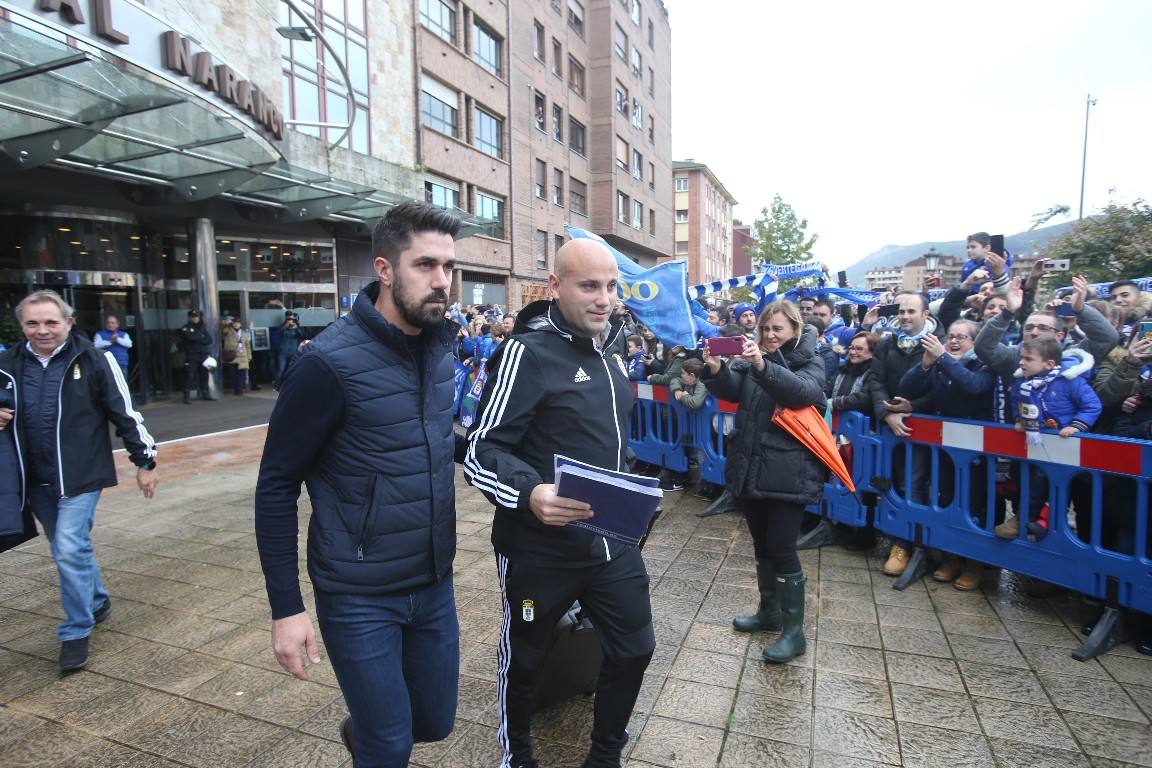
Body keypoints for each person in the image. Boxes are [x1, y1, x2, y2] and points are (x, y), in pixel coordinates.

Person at [254, 203, 466, 767]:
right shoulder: (326, 363)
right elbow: (276, 485)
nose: (442, 280)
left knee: (436, 722)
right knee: (390, 742)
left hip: (433, 580)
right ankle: (374, 735)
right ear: (385, 269)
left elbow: (425, 436)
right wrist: (286, 609)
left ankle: (367, 730)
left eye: (449, 266)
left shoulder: (441, 345)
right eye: (426, 265)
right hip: (358, 592)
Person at [464, 238, 655, 768]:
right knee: (523, 660)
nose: (604, 299)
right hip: (539, 554)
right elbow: (481, 449)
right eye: (589, 286)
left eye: (612, 287)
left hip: (613, 544)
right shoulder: (526, 351)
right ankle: (516, 756)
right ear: (555, 286)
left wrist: (637, 489)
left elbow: (608, 440)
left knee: (635, 648)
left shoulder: (615, 345)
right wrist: (530, 495)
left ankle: (605, 757)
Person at [0, 290, 158, 672]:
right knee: (68, 547)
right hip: (33, 480)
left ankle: (75, 630)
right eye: (33, 323)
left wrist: (145, 460)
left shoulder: (94, 359)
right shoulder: (6, 364)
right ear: (22, 326)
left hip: (81, 475)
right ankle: (97, 599)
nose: (42, 330)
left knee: (69, 548)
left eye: (51, 322)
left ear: (68, 323)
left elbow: (124, 411)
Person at [700, 301, 826, 663]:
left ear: (795, 330)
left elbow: (802, 393)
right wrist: (716, 370)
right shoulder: (755, 359)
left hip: (790, 472)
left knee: (783, 548)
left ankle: (794, 633)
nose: (770, 336)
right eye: (766, 329)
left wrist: (761, 364)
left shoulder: (812, 359)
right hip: (753, 466)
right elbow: (733, 390)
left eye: (778, 330)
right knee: (761, 546)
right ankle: (769, 612)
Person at [898, 319, 995, 589]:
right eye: (951, 336)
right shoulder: (942, 362)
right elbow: (908, 387)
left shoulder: (984, 364)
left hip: (976, 449)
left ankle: (974, 564)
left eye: (962, 337)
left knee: (973, 506)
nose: (954, 341)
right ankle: (950, 558)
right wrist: (926, 364)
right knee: (945, 498)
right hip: (944, 448)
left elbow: (973, 386)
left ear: (975, 342)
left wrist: (942, 357)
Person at [867, 291, 941, 576]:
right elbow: (876, 380)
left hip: (923, 425)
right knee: (892, 482)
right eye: (902, 311)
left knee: (916, 485)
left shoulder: (935, 342)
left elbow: (939, 385)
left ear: (925, 314)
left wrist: (913, 407)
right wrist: (887, 412)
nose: (905, 317)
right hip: (891, 424)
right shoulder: (887, 343)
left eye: (911, 311)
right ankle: (898, 539)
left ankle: (912, 544)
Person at [1002, 338, 1101, 540]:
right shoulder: (1023, 382)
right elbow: (1016, 402)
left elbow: (1092, 405)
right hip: (1038, 444)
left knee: (1060, 488)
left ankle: (1048, 525)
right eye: (1021, 357)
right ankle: (1028, 520)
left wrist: (1076, 426)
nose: (1022, 362)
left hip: (1065, 446)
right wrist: (1020, 419)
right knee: (1034, 483)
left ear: (1049, 364)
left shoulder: (1070, 380)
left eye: (1028, 359)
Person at [177, 309, 214, 403]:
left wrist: (198, 337)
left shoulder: (202, 327)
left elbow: (209, 340)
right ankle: (186, 396)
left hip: (203, 355)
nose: (195, 319)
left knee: (204, 375)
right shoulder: (185, 328)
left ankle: (205, 394)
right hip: (192, 355)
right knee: (189, 375)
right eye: (193, 317)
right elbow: (190, 337)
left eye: (196, 317)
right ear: (189, 318)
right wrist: (201, 337)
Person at [92, 314, 132, 382]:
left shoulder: (124, 334)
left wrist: (117, 339)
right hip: (106, 364)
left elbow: (129, 344)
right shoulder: (99, 334)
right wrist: (110, 341)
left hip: (121, 363)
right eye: (108, 322)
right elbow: (96, 345)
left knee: (122, 383)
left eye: (113, 323)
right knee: (108, 384)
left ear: (117, 324)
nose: (110, 325)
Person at [221, 317, 251, 396]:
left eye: (238, 323)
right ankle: (236, 388)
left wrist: (249, 356)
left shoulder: (243, 333)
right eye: (234, 323)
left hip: (242, 356)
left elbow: (247, 345)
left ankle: (239, 390)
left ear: (240, 324)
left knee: (241, 374)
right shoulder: (228, 330)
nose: (236, 324)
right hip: (232, 355)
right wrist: (226, 322)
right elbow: (222, 327)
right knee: (233, 374)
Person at [274, 312, 306, 388]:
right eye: (288, 319)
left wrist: (296, 328)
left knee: (292, 369)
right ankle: (277, 386)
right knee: (281, 370)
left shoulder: (297, 326)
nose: (290, 321)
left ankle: (290, 385)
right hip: (283, 352)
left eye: (291, 319)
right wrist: (285, 327)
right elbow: (277, 334)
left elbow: (302, 335)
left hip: (293, 351)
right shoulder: (283, 326)